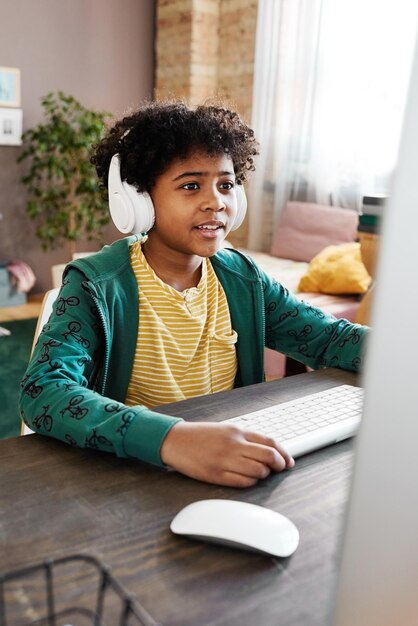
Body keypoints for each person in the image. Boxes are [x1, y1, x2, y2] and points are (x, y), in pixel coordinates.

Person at [19, 100, 368, 488]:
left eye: (226, 184)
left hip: (227, 460)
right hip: (137, 470)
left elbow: (329, 338)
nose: (216, 201)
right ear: (138, 199)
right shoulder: (96, 285)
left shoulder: (243, 279)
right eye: (190, 185)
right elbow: (44, 390)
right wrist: (170, 438)